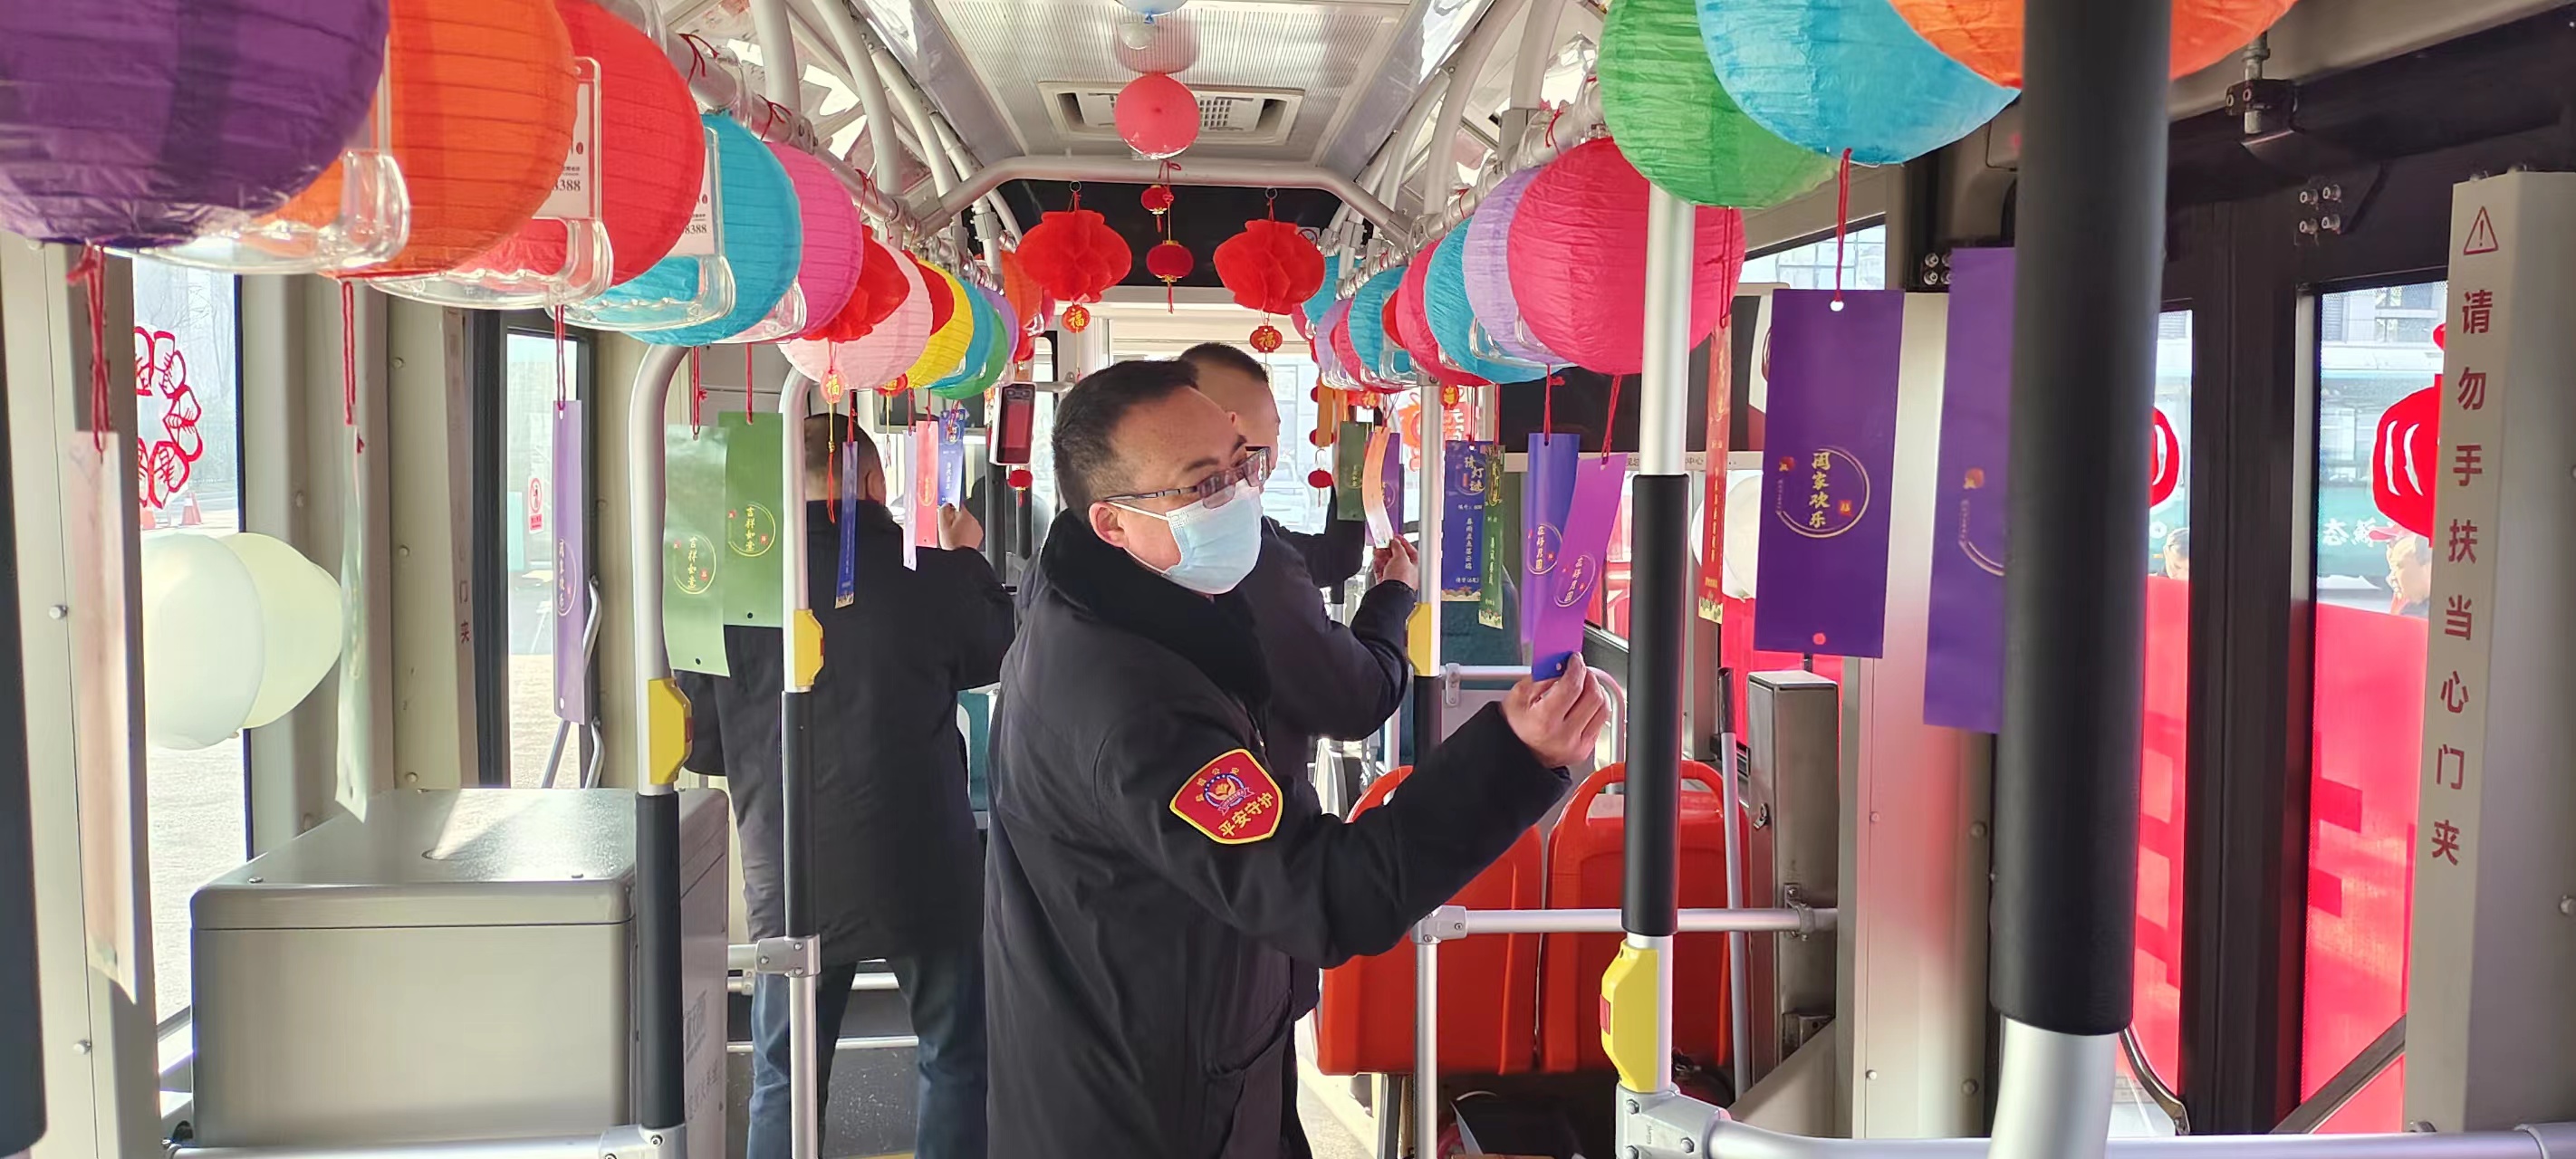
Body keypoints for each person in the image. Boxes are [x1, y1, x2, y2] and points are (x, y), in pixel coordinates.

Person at [986, 360, 1607, 1158]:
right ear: (1112, 523)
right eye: (1205, 484)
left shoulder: (1106, 598)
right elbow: (1323, 894)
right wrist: (1514, 758)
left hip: (1172, 1043)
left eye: (1241, 465)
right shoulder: (1135, 705)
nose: (1240, 498)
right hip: (1147, 1109)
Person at [680, 415, 1013, 1159]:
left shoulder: (727, 592)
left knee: (784, 1078)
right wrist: (968, 557)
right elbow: (999, 646)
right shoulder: (927, 572)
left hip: (789, 868)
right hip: (922, 863)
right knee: (954, 1058)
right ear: (870, 480)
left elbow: (703, 743)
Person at [1178, 344, 1418, 1156]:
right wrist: (1391, 606)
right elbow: (1355, 698)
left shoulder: (1101, 568)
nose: (1257, 471)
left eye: (1263, 454)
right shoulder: (1249, 560)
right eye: (1248, 450)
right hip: (1243, 893)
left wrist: (1360, 473)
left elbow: (1325, 560)